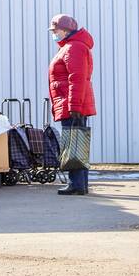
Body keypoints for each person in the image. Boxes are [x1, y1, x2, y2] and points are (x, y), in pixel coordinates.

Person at [48, 14, 96, 196]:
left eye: (55, 30)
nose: (54, 34)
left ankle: (76, 184)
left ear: (66, 30)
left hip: (72, 104)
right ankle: (80, 184)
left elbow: (77, 78)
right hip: (71, 103)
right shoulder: (70, 46)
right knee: (77, 143)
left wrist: (74, 106)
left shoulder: (73, 47)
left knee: (74, 144)